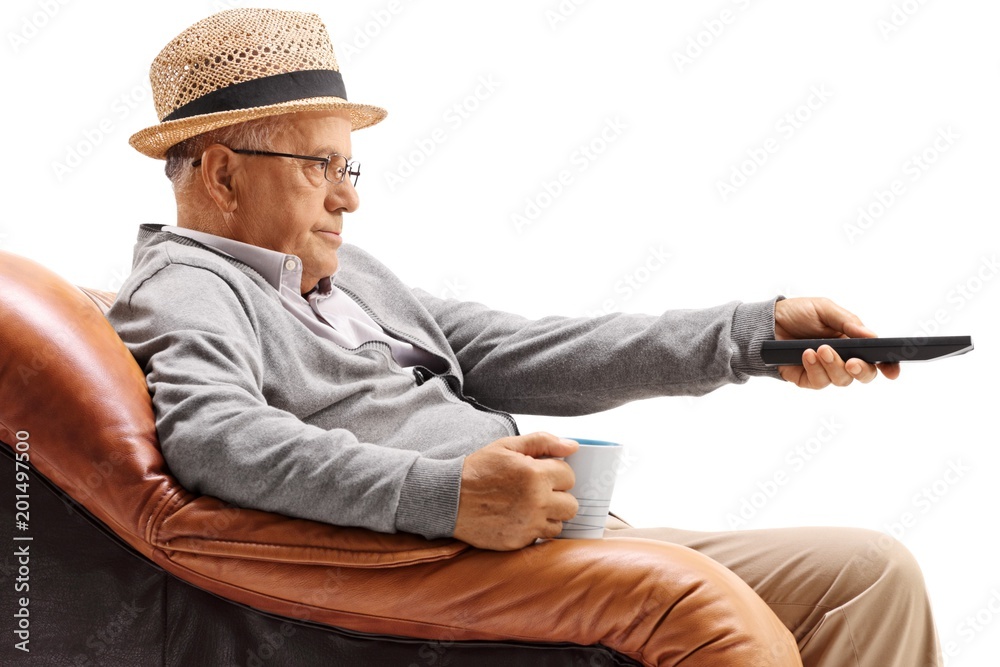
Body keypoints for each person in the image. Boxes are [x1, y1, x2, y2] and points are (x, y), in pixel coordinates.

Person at [109, 8, 942, 666]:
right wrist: (446, 495)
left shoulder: (349, 273)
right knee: (780, 605)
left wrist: (752, 334)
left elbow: (532, 349)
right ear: (221, 173)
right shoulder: (191, 285)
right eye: (318, 167)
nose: (348, 199)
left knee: (871, 576)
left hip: (563, 533)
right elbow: (215, 436)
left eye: (347, 167)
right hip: (453, 567)